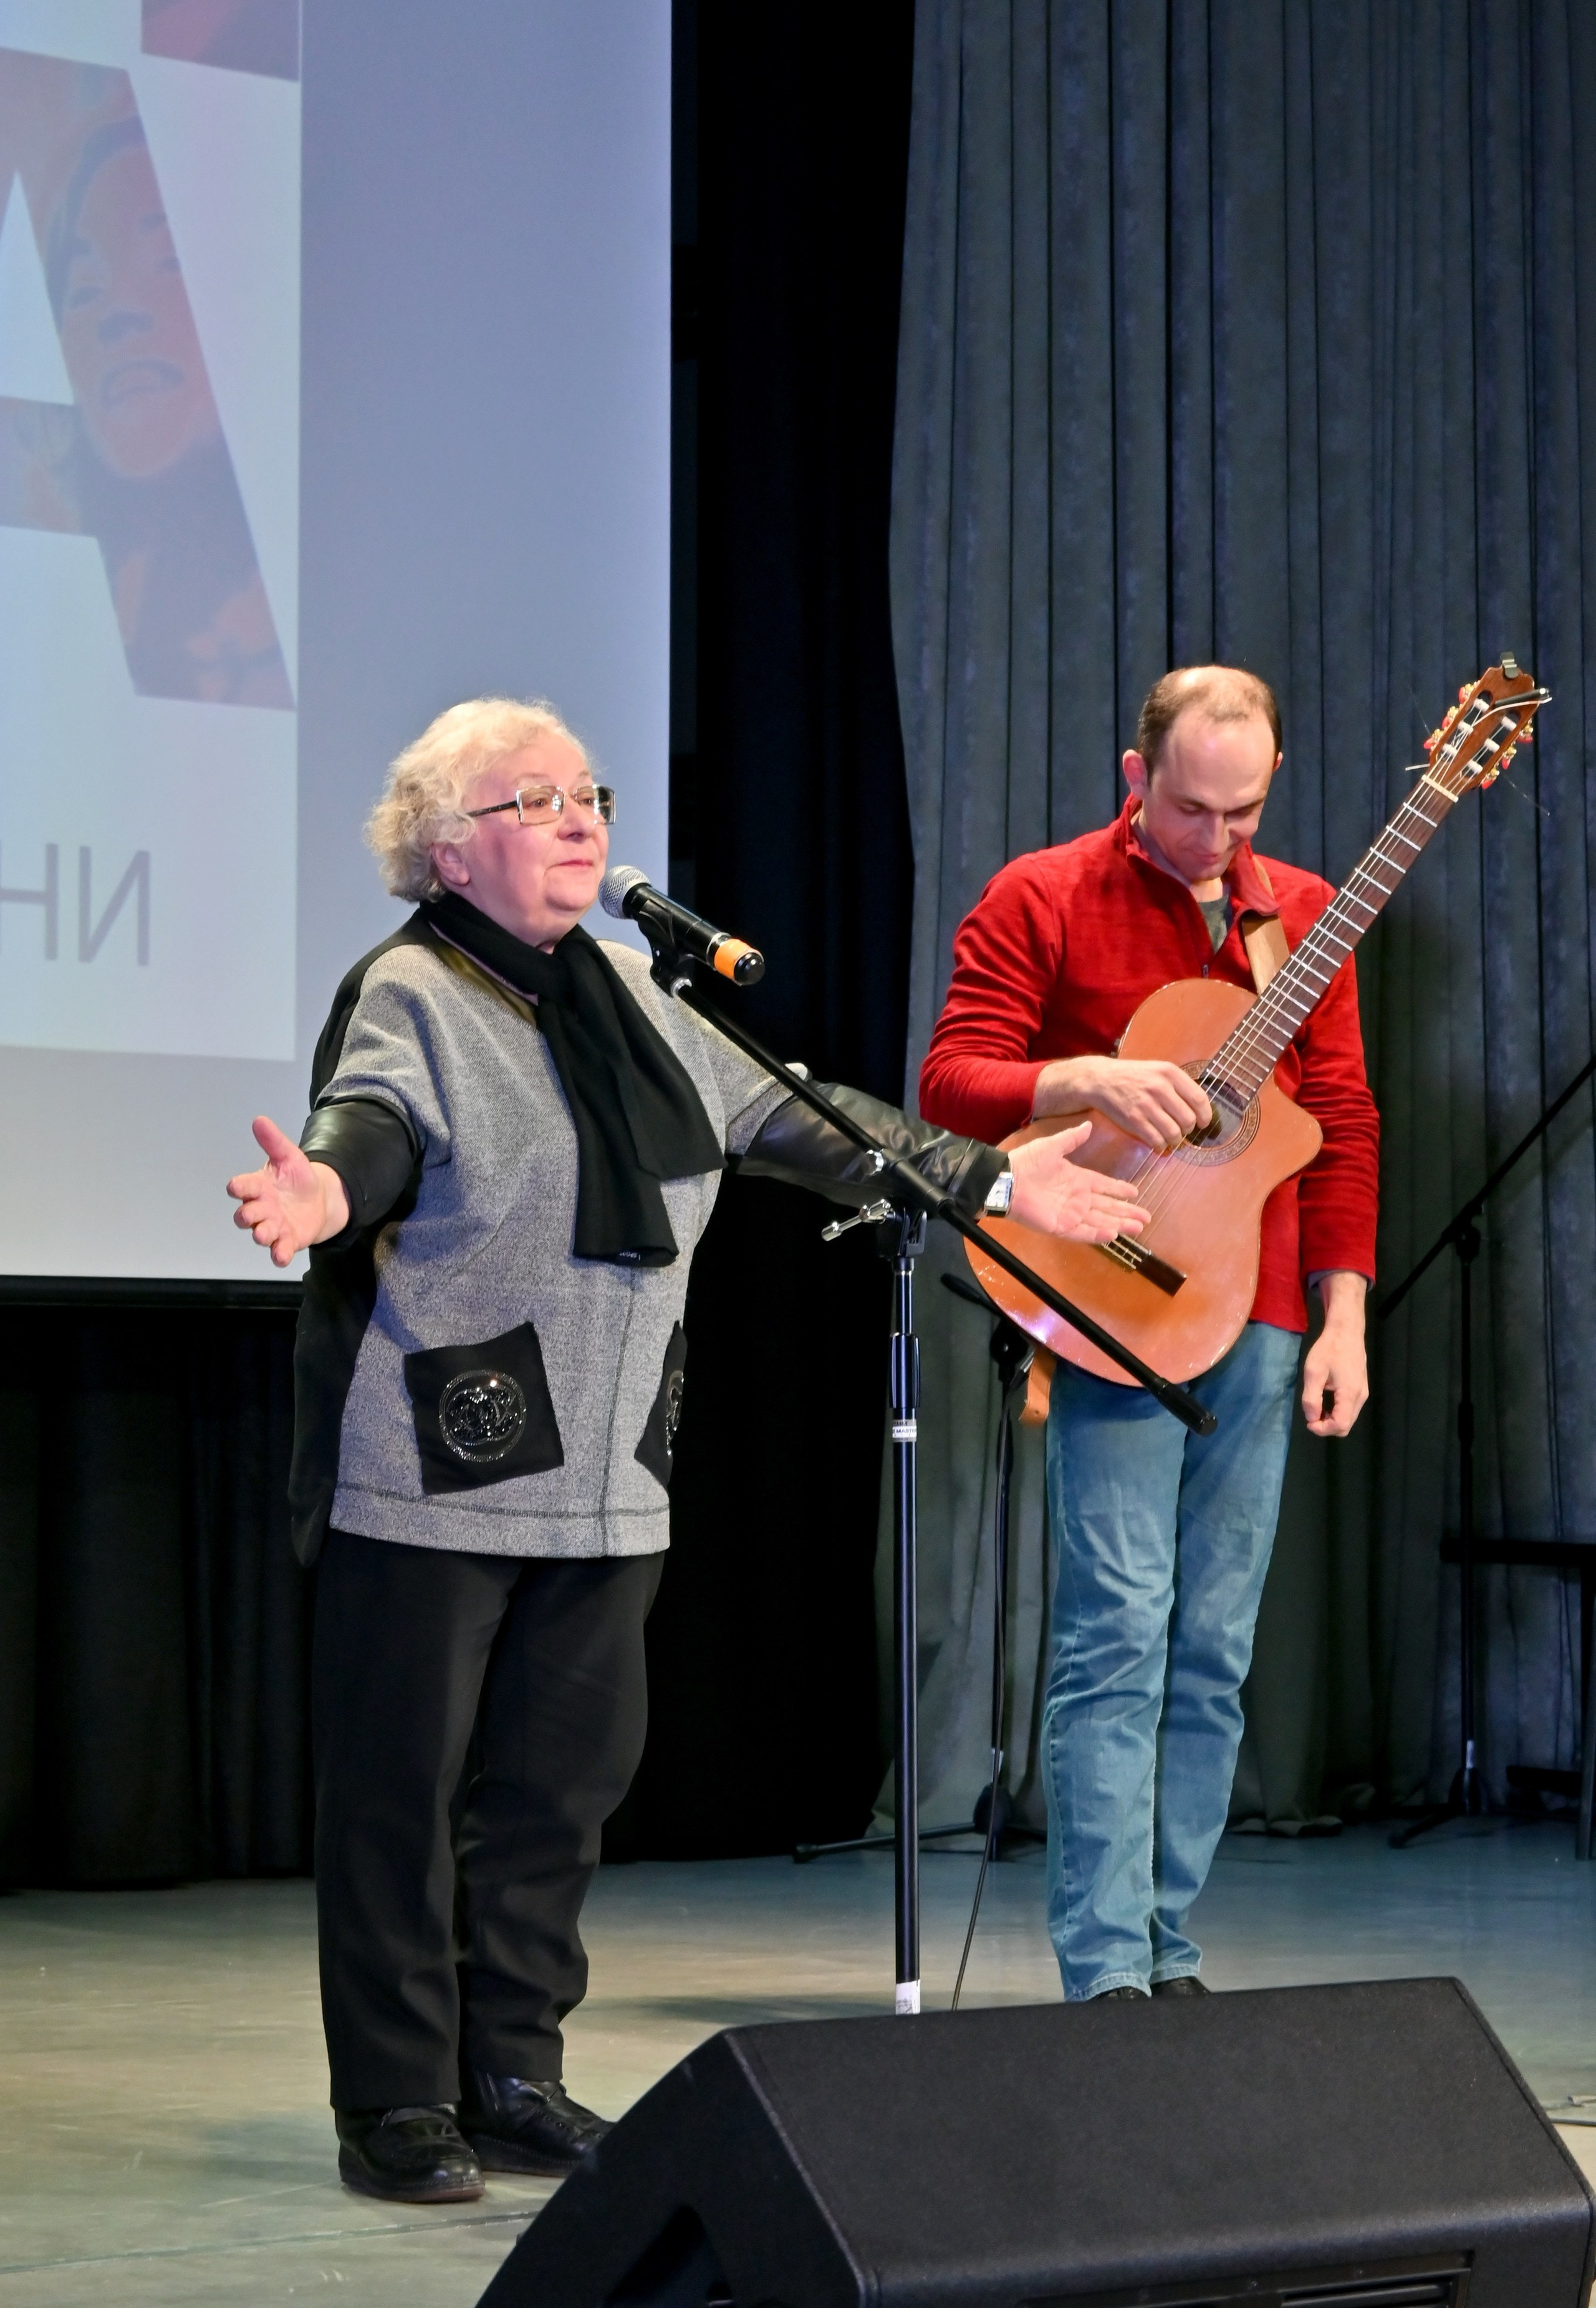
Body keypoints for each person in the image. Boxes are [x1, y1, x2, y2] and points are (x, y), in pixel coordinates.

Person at [228, 695, 1151, 2204]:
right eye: (536, 800)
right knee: (403, 1801)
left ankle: (515, 2070)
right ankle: (397, 2101)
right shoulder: (411, 990)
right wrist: (325, 1199)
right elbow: (371, 1125)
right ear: (450, 849)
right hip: (440, 1467)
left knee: (556, 1798)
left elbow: (804, 1122)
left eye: (584, 789)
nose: (581, 814)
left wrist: (990, 1181)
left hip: (609, 1481)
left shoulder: (633, 999)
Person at [919, 666, 1380, 2004]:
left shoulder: (1298, 915)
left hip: (1271, 1306)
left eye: (1242, 811)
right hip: (1112, 1296)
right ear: (1136, 778)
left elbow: (1340, 1123)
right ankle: (1106, 1972)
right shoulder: (1041, 893)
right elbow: (952, 1079)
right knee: (1116, 1630)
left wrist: (1345, 1313)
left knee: (1214, 1643)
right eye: (1190, 809)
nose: (1218, 839)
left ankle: (1168, 1946)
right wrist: (1084, 1075)